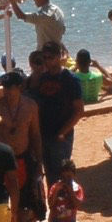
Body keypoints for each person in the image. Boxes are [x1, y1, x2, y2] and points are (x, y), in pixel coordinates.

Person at [0, 71, 43, 222]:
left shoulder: (30, 107)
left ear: (19, 88)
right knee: (0, 204)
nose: (7, 92)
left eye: (10, 88)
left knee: (24, 204)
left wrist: (39, 161)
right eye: (4, 88)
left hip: (23, 158)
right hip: (1, 162)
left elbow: (35, 135)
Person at [30, 43, 85, 183]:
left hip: (61, 136)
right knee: (49, 173)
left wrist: (62, 132)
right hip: (44, 133)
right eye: (45, 58)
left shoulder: (70, 79)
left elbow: (79, 110)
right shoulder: (42, 78)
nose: (48, 61)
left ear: (59, 57)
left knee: (62, 174)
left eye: (51, 57)